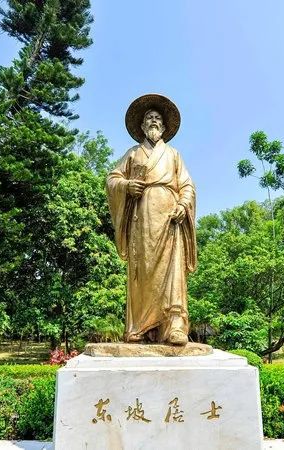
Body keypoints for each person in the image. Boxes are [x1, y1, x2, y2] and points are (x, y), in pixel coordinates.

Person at [106, 94, 197, 346]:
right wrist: (126, 185)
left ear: (164, 127)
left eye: (157, 118)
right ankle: (140, 326)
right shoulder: (133, 154)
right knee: (142, 272)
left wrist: (182, 205)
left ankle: (174, 326)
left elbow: (187, 186)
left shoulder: (174, 155)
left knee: (173, 271)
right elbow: (112, 179)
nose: (153, 121)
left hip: (169, 220)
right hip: (142, 220)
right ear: (142, 125)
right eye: (149, 118)